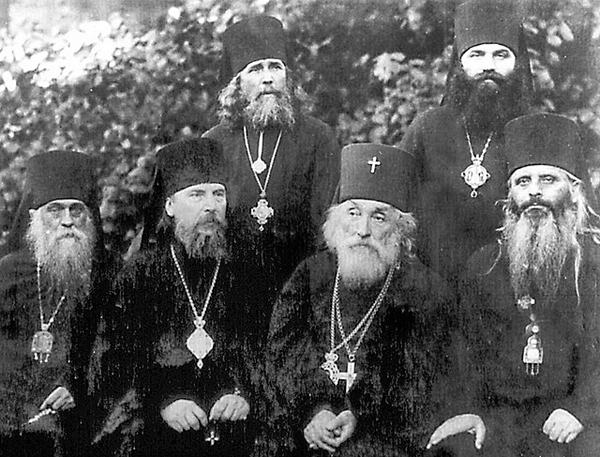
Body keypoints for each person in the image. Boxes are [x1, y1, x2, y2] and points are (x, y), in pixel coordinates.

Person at [265, 144, 456, 457]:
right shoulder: (311, 274)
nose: (363, 230)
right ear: (338, 220)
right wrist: (316, 410)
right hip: (307, 428)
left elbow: (423, 380)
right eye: (353, 213)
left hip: (384, 435)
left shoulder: (425, 289)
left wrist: (360, 415)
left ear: (401, 229)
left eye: (379, 217)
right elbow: (283, 352)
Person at [428, 113, 600, 457]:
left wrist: (581, 408)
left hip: (572, 415)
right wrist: (469, 410)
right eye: (523, 182)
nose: (534, 191)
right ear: (510, 197)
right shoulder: (484, 264)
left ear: (574, 191)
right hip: (499, 418)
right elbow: (464, 348)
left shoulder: (594, 261)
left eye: (548, 179)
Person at [203, 15, 340, 348]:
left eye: (274, 67)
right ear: (236, 85)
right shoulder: (214, 143)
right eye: (255, 70)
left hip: (301, 292)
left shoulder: (318, 138)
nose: (267, 79)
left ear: (287, 77)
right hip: (229, 296)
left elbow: (328, 224)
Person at [112, 138, 255, 457]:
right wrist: (163, 402)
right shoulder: (141, 271)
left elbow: (263, 346)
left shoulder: (247, 266)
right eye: (196, 194)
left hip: (236, 426)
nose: (210, 206)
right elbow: (119, 355)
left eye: (218, 194)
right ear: (169, 205)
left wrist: (243, 393)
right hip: (158, 428)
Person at [399, 0, 533, 282]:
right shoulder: (427, 127)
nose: (489, 66)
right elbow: (394, 205)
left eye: (501, 55)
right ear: (459, 63)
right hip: (431, 286)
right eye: (476, 55)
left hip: (508, 291)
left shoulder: (533, 132)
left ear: (518, 64)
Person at [0, 151, 110, 457]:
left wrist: (78, 387)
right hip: (11, 411)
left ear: (89, 217)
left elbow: (116, 350)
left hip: (83, 413)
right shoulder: (7, 273)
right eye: (55, 210)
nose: (66, 222)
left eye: (77, 211)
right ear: (35, 216)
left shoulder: (108, 274)